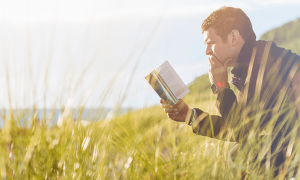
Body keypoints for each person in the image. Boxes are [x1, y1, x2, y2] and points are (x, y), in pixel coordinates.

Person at [160, 6, 300, 178]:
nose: (206, 52)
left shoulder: (264, 63)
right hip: (292, 143)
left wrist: (220, 85)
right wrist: (190, 116)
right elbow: (237, 127)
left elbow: (242, 132)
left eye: (210, 43)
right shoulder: (252, 64)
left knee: (240, 154)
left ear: (233, 37)